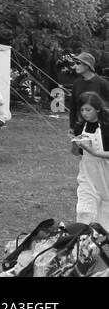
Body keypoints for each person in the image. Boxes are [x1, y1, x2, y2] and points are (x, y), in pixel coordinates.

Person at [71, 94, 109, 226]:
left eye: (88, 110)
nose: (84, 113)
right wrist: (75, 144)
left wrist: (96, 152)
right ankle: (83, 238)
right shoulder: (80, 126)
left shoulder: (106, 126)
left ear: (97, 109)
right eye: (82, 110)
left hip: (105, 170)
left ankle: (101, 237)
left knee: (105, 207)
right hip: (87, 172)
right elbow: (76, 153)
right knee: (84, 209)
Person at [66, 53, 109, 133]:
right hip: (80, 127)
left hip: (100, 129)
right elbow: (73, 106)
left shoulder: (102, 83)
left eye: (78, 63)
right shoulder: (76, 83)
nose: (75, 66)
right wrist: (72, 126)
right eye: (75, 63)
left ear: (87, 65)